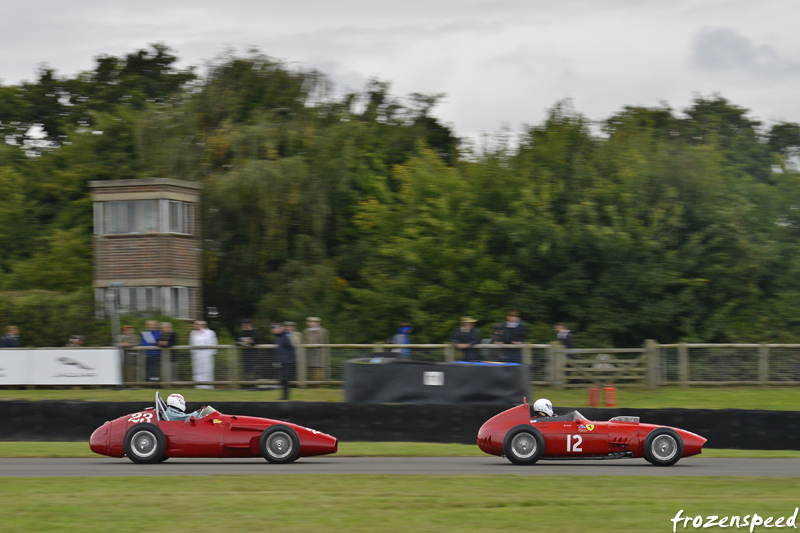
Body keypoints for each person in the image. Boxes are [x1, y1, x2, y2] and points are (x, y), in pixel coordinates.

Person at [189, 320, 218, 389]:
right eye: (196, 324)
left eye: (200, 324)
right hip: (196, 356)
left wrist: (211, 353)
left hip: (207, 356)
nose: (197, 326)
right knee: (197, 371)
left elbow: (214, 343)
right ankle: (198, 386)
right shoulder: (193, 333)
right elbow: (191, 343)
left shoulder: (210, 332)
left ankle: (208, 386)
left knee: (207, 370)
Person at [272, 322, 295, 400]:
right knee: (282, 379)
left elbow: (291, 348)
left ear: (280, 329)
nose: (274, 330)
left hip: (286, 361)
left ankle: (286, 396)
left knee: (285, 379)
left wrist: (289, 358)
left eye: (275, 328)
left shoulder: (284, 337)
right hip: (281, 361)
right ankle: (284, 396)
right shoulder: (278, 337)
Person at [303, 317, 329, 383]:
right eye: (311, 322)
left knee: (318, 372)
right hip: (308, 355)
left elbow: (326, 343)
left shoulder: (323, 331)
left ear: (319, 323)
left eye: (315, 322)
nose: (313, 323)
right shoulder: (305, 331)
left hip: (319, 355)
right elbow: (304, 341)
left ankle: (319, 386)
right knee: (309, 371)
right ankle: (310, 386)